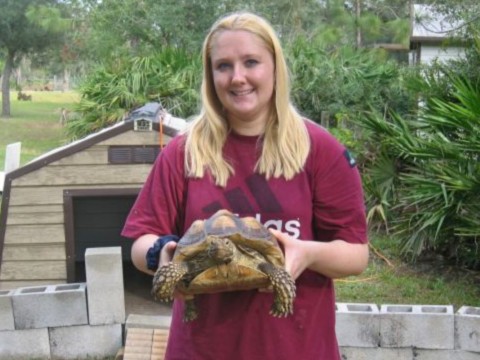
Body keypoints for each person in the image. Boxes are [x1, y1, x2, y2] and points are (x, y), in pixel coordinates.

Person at [122, 11, 369, 360]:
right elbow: (140, 241)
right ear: (211, 75)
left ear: (274, 68)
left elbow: (356, 254)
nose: (238, 77)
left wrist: (308, 253)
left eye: (251, 62)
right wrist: (163, 257)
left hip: (295, 347)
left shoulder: (321, 151)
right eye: (223, 65)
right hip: (202, 349)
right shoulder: (183, 152)